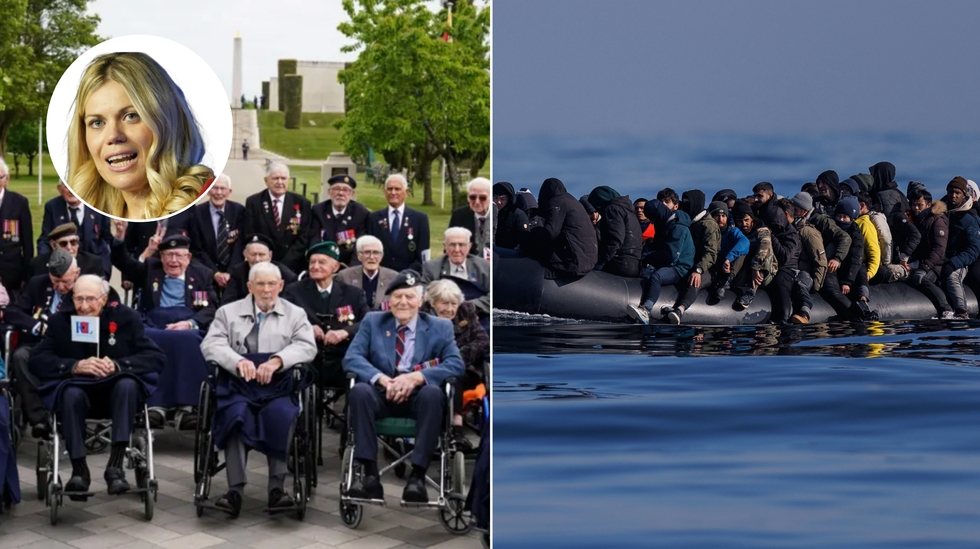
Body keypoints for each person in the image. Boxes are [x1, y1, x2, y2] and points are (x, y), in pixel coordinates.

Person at [29, 275, 166, 495]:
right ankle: (79, 470)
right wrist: (74, 366)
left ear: (103, 299)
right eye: (79, 299)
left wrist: (119, 365)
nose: (84, 306)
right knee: (69, 394)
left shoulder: (126, 318)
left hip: (117, 391)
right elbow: (36, 360)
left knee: (127, 385)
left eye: (91, 299)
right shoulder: (59, 321)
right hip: (78, 389)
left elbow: (156, 357)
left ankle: (115, 467)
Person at [201, 262, 317, 515]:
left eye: (272, 284)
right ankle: (235, 490)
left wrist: (277, 360)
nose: (266, 290)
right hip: (238, 381)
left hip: (278, 382)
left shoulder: (295, 314)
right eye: (260, 284)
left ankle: (277, 488)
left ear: (281, 286)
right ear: (249, 287)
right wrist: (238, 361)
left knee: (280, 415)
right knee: (233, 415)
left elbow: (307, 347)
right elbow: (211, 345)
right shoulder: (227, 312)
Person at [343, 270, 464, 503]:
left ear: (420, 301)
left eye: (409, 296)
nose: (403, 302)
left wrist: (417, 378)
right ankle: (369, 475)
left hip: (418, 398)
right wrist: (381, 378)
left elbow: (456, 364)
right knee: (359, 391)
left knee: (432, 393)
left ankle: (417, 477)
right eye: (398, 296)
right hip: (382, 394)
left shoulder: (440, 327)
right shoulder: (373, 322)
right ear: (389, 301)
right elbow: (352, 357)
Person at [66, 52, 213, 220]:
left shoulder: (206, 198)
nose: (113, 136)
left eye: (131, 116)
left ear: (168, 122)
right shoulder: (86, 213)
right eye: (97, 123)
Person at [5, 250, 83, 435]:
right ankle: (39, 418)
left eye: (65, 282)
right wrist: (35, 325)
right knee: (20, 356)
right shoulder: (37, 284)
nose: (60, 287)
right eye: (55, 281)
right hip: (37, 344)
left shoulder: (84, 289)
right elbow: (12, 312)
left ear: (77, 274)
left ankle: (65, 412)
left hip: (68, 347)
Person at [283, 241, 369, 388]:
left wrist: (344, 332)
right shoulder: (294, 291)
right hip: (307, 359)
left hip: (341, 358)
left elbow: (368, 322)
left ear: (335, 267)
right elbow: (283, 319)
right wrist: (307, 328)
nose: (315, 266)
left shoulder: (353, 294)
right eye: (312, 262)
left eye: (322, 262)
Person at [421, 279, 488, 452]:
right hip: (430, 372)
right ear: (433, 303)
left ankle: (456, 427)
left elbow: (482, 340)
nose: (450, 309)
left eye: (453, 303)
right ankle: (449, 428)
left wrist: (457, 356)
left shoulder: (467, 310)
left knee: (453, 372)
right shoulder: (422, 316)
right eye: (444, 303)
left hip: (465, 371)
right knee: (448, 374)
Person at [109, 224, 217, 331]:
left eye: (179, 255)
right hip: (153, 326)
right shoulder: (151, 269)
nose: (174, 260)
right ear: (161, 257)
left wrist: (190, 324)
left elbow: (210, 308)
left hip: (186, 328)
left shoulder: (202, 275)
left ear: (188, 257)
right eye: (169, 255)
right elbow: (122, 262)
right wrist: (119, 236)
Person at [627, 200, 694, 324]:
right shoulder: (665, 223)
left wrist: (650, 258)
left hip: (680, 267)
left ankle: (646, 310)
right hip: (668, 262)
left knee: (657, 277)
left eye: (652, 218)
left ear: (658, 215)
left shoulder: (678, 226)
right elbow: (658, 246)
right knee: (645, 274)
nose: (651, 221)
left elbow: (671, 256)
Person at [244, 162, 313, 273]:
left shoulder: (301, 203)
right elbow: (250, 233)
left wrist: (285, 263)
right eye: (275, 178)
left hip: (293, 265)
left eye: (283, 178)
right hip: (263, 264)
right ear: (266, 181)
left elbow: (304, 236)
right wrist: (266, 259)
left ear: (288, 180)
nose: (280, 182)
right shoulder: (254, 202)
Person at [524, 177, 598, 279]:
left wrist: (533, 231)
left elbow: (550, 233)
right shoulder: (574, 203)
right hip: (588, 261)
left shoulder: (556, 202)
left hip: (573, 263)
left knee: (527, 239)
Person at [666, 191, 720, 323]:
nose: (685, 206)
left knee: (694, 281)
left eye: (687, 203)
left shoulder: (709, 225)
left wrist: (699, 270)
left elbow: (711, 253)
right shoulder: (689, 222)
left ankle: (680, 309)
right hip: (688, 264)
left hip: (708, 269)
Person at [38, 181, 112, 277]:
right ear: (59, 189)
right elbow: (45, 239)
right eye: (67, 187)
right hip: (62, 269)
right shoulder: (52, 207)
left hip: (92, 269)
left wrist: (105, 272)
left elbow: (106, 241)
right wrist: (45, 267)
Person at [189, 173, 247, 290]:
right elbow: (197, 249)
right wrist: (214, 273)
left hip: (233, 274)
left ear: (229, 192)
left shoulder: (239, 211)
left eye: (223, 188)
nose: (219, 192)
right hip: (207, 274)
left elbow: (239, 245)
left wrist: (230, 272)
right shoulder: (197, 213)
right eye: (214, 188)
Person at [421, 227, 491, 320]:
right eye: (452, 245)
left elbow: (493, 296)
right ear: (445, 246)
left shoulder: (485, 266)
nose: (457, 250)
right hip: (442, 317)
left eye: (461, 245)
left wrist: (467, 307)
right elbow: (424, 296)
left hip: (477, 315)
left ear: (469, 246)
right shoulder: (431, 267)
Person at [366, 174, 430, 272]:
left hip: (409, 278)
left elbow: (423, 256)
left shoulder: (420, 219)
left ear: (406, 192)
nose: (393, 192)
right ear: (385, 192)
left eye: (397, 189)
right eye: (390, 189)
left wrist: (405, 276)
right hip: (380, 277)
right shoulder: (374, 218)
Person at [907, 190, 953, 318]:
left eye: (919, 205)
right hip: (920, 263)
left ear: (928, 205)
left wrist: (924, 268)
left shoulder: (937, 220)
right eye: (913, 204)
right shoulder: (917, 220)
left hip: (935, 265)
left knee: (922, 279)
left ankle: (946, 309)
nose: (916, 208)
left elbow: (939, 248)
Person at [941, 177, 980, 319]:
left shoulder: (969, 219)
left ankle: (962, 312)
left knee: (952, 278)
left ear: (964, 195)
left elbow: (974, 249)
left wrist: (953, 263)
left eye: (957, 193)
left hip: (958, 261)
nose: (953, 195)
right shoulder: (940, 212)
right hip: (940, 257)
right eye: (951, 191)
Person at [309, 174, 370, 266]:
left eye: (345, 190)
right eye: (336, 189)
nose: (341, 193)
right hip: (323, 264)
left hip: (348, 266)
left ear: (352, 194)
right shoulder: (318, 211)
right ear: (329, 192)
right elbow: (314, 241)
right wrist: (323, 264)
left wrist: (351, 271)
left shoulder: (360, 213)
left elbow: (360, 246)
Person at [222, 234, 298, 305]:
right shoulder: (237, 272)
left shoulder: (286, 275)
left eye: (261, 255)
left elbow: (288, 306)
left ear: (270, 255)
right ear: (245, 254)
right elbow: (228, 302)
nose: (257, 259)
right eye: (253, 254)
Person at [788, 193, 828, 323]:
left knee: (801, 283)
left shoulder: (809, 232)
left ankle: (805, 314)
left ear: (804, 211)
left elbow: (820, 262)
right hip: (792, 271)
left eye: (796, 207)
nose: (792, 209)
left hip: (806, 274)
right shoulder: (790, 229)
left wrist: (815, 287)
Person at [587, 186, 642, 277]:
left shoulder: (612, 210)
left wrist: (601, 262)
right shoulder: (628, 210)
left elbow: (615, 239)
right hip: (635, 263)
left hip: (620, 262)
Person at [335, 235, 399, 309]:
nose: (371, 257)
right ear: (359, 256)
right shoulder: (344, 277)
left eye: (376, 253)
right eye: (367, 252)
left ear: (381, 257)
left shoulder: (394, 277)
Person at [0, 158, 34, 296]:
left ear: (6, 178)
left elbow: (27, 243)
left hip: (12, 274)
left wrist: (27, 276)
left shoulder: (19, 202)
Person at [707, 200, 749, 302]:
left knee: (742, 251)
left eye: (723, 215)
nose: (720, 219)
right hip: (712, 269)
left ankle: (726, 283)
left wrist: (728, 259)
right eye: (717, 215)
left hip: (729, 269)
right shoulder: (706, 231)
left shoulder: (732, 231)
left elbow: (745, 242)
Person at [30, 223, 104, 277]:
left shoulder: (93, 263)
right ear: (54, 245)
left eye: (73, 242)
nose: (69, 247)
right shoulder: (38, 264)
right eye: (63, 243)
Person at [449, 178, 493, 257]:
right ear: (467, 197)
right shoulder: (459, 215)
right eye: (472, 197)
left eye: (482, 198)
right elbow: (450, 247)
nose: (477, 202)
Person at [491, 181, 529, 250]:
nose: (498, 202)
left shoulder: (517, 215)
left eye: (503, 199)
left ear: (509, 199)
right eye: (495, 198)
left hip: (510, 255)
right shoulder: (488, 214)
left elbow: (525, 238)